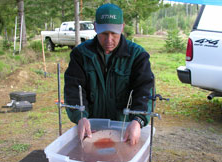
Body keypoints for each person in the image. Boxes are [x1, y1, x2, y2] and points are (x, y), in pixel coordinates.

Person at [64, 3, 154, 145]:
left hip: (125, 129)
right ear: (95, 27)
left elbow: (144, 91)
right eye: (104, 34)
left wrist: (138, 120)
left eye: (114, 33)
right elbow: (73, 89)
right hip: (92, 130)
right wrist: (80, 117)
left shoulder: (137, 55)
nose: (109, 40)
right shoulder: (80, 55)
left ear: (122, 28)